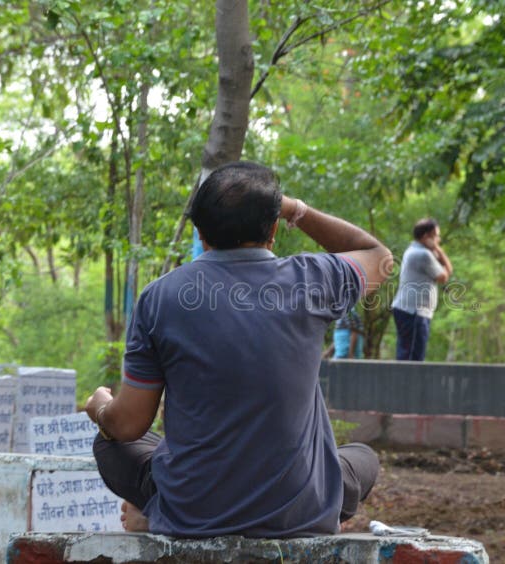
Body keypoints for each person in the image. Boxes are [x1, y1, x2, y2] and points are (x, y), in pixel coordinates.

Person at [85, 161, 393, 537]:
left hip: (194, 514)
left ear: (200, 232)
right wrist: (299, 210)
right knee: (362, 458)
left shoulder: (159, 298)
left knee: (110, 446)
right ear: (274, 229)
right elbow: (379, 257)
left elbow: (129, 425)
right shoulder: (314, 280)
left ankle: (154, 512)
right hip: (303, 513)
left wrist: (99, 406)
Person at [390, 218, 453, 361]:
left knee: (410, 355)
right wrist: (438, 249)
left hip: (411, 311)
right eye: (436, 236)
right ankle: (406, 384)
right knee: (412, 358)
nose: (439, 239)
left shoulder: (414, 250)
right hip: (413, 312)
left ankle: (406, 383)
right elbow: (445, 274)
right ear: (426, 236)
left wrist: (434, 249)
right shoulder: (422, 255)